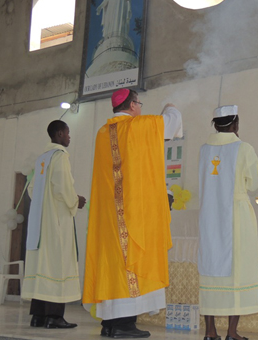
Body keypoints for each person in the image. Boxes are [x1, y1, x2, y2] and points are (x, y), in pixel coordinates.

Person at [83, 89, 183, 338]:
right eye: (139, 103)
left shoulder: (102, 133)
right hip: (134, 214)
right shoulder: (139, 125)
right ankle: (123, 325)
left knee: (111, 266)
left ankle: (109, 323)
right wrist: (170, 105)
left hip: (108, 217)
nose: (140, 107)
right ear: (133, 106)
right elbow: (173, 121)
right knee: (131, 265)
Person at [198, 105, 258, 340]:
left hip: (209, 215)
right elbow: (254, 181)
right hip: (236, 216)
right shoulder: (243, 148)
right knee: (237, 270)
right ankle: (232, 332)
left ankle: (209, 331)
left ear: (215, 125)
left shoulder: (205, 150)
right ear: (235, 124)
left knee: (210, 268)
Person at [22, 120, 86, 329]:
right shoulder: (60, 156)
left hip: (40, 222)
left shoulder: (41, 159)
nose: (69, 137)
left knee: (43, 265)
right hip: (57, 222)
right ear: (59, 134)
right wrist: (76, 201)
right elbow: (62, 186)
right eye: (67, 133)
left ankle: (38, 316)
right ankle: (54, 317)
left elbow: (32, 190)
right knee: (58, 265)